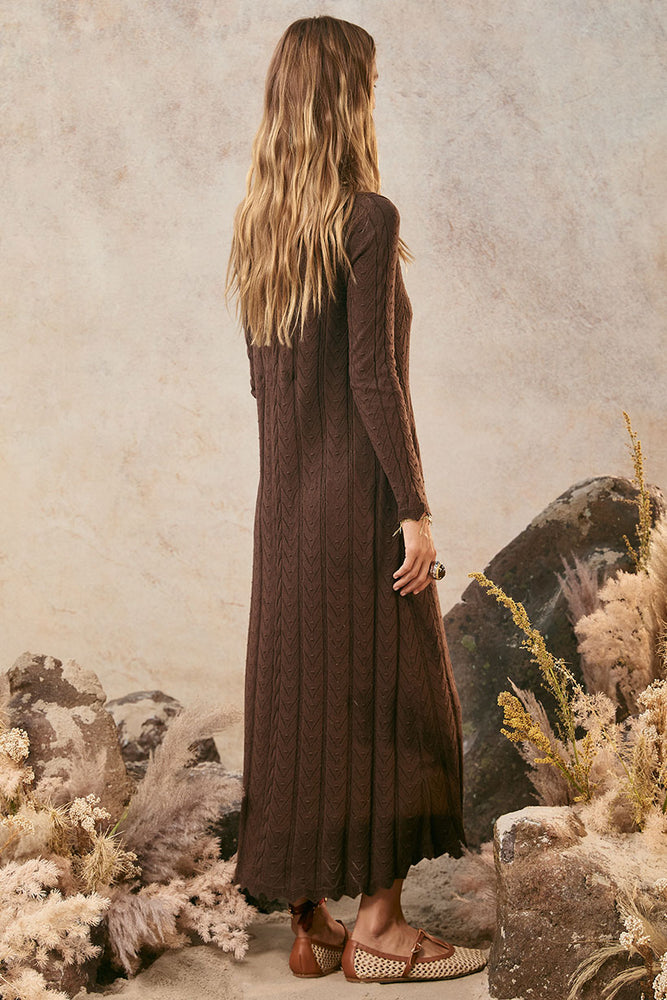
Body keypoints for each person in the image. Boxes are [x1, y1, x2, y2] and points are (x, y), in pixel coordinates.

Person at [227, 15, 488, 985]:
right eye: (367, 86)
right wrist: (412, 508)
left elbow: (268, 390)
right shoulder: (366, 218)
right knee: (401, 707)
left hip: (284, 519)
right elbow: (374, 377)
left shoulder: (261, 230)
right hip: (359, 510)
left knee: (300, 708)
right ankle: (381, 926)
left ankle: (312, 927)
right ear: (346, 99)